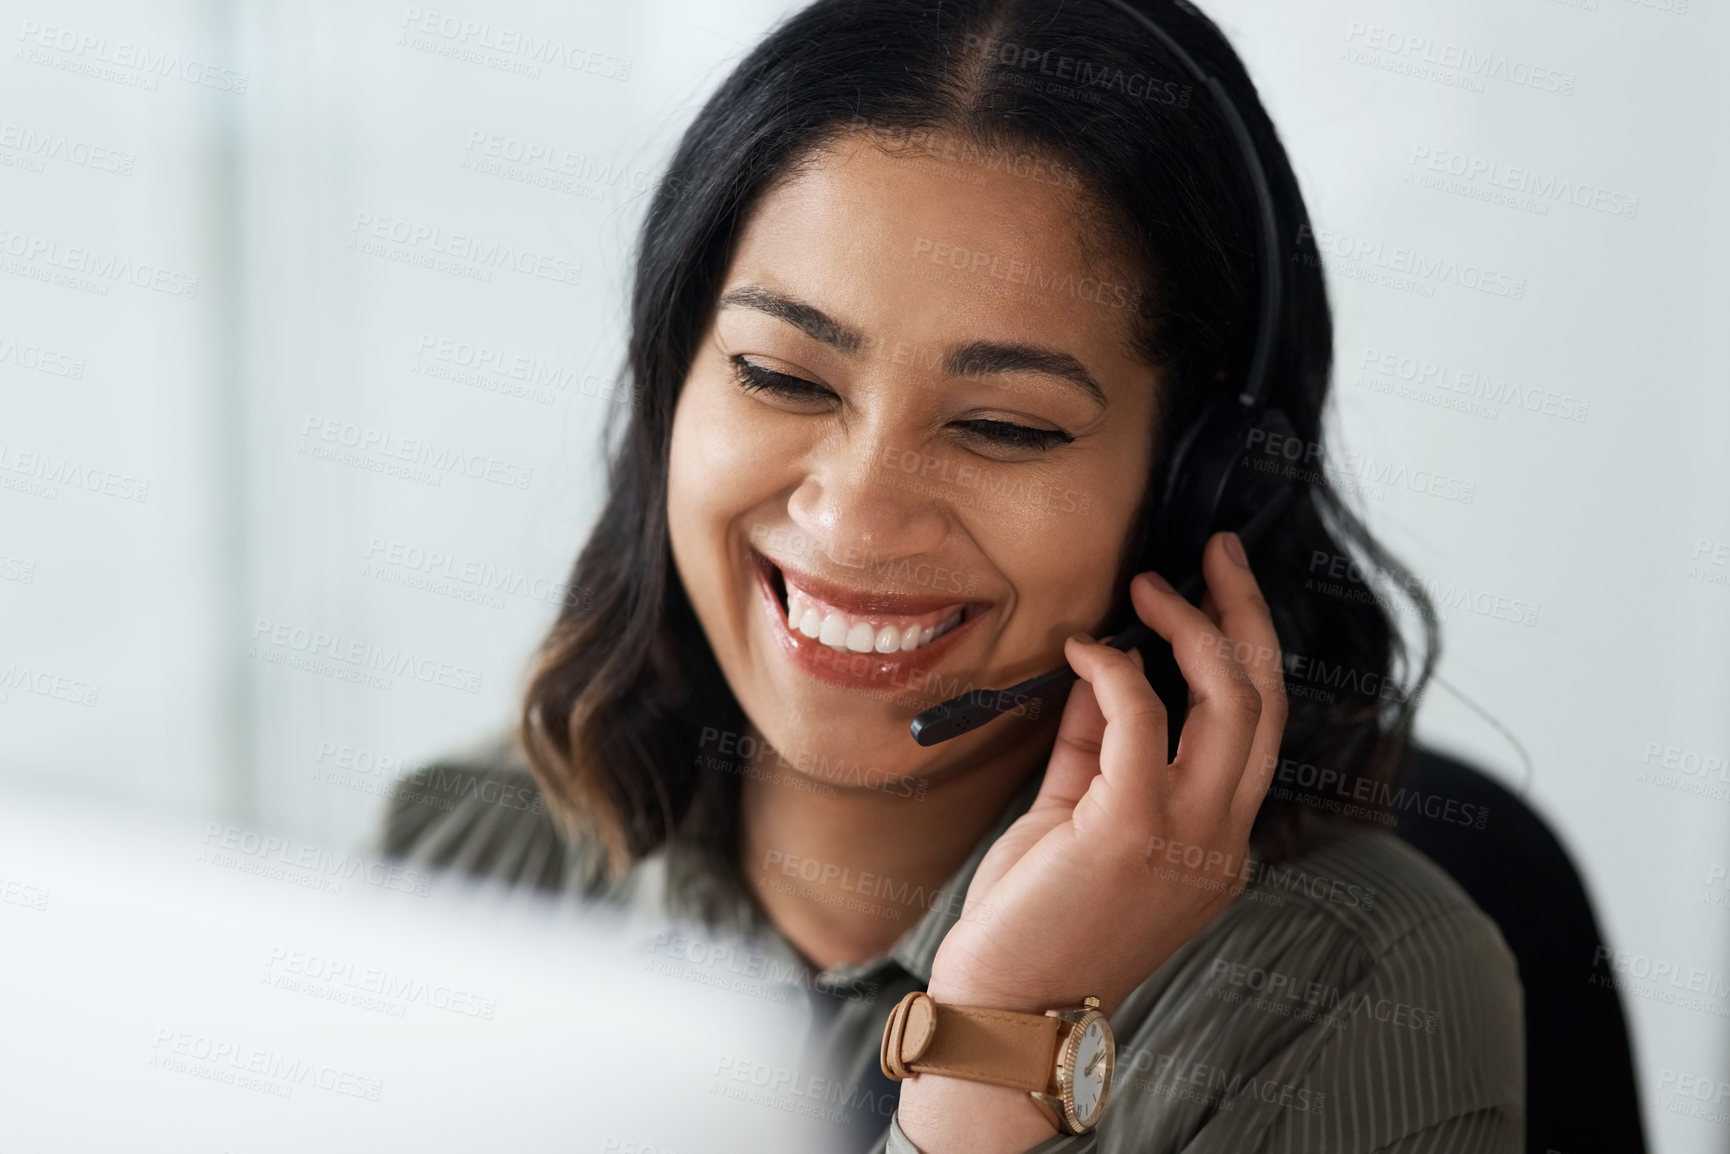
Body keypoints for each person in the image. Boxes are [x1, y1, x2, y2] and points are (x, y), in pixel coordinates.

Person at [377, 0, 1523, 1149]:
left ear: (1197, 484)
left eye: (1003, 426)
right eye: (780, 374)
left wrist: (1000, 1053)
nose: (857, 517)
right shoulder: (468, 850)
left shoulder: (1346, 996)